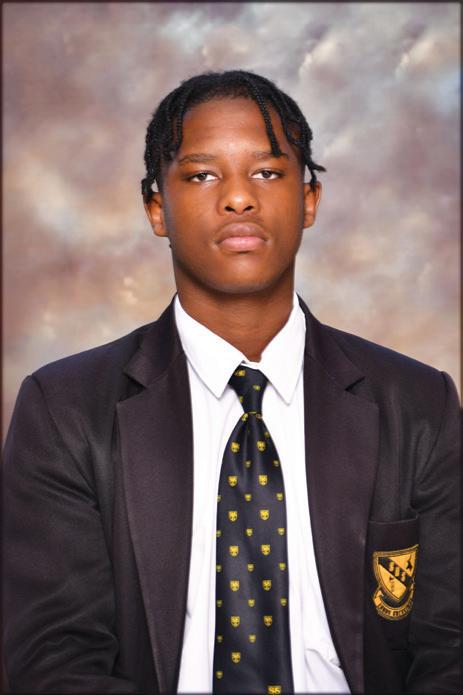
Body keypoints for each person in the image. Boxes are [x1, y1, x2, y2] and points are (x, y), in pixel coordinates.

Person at [3, 70, 460, 695]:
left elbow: (450, 648)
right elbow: (55, 660)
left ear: (309, 200)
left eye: (267, 172)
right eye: (201, 176)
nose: (239, 198)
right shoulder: (64, 411)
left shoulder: (420, 405)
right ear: (156, 208)